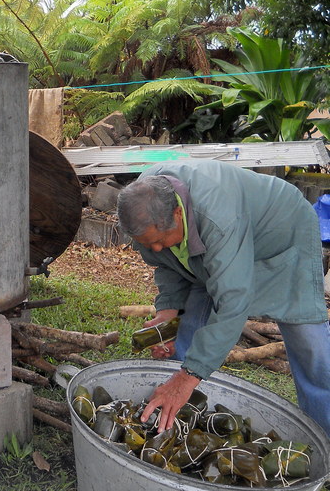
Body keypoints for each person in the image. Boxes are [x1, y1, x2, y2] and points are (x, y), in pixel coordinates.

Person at [117, 158, 330, 438]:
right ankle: (173, 420)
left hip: (283, 233)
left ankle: (324, 434)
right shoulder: (143, 200)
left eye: (159, 239)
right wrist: (168, 311)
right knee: (188, 320)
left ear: (178, 215)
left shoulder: (219, 218)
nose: (155, 248)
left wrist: (187, 378)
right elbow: (166, 262)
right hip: (220, 240)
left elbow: (232, 303)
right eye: (148, 244)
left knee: (306, 339)